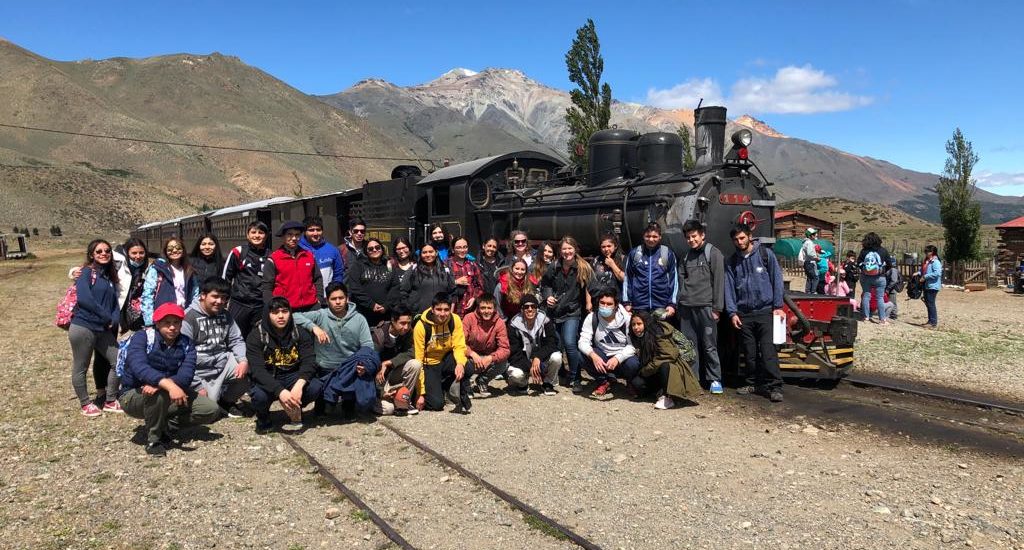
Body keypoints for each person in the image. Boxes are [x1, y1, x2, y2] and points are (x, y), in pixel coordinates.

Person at [118, 303, 219, 456]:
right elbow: (138, 366)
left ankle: (165, 426)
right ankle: (154, 440)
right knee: (157, 394)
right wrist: (167, 385)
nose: (172, 327)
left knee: (209, 409)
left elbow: (186, 375)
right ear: (157, 323)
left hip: (167, 390)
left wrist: (164, 385)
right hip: (133, 394)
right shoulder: (142, 337)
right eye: (167, 323)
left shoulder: (186, 343)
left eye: (177, 322)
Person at [724, 224, 786, 403]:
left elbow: (777, 280)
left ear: (750, 236)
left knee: (768, 352)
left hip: (765, 311)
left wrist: (778, 305)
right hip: (744, 313)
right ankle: (752, 383)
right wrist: (732, 312)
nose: (739, 242)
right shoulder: (732, 261)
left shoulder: (765, 255)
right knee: (749, 353)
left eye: (742, 238)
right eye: (736, 239)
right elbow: (729, 288)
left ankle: (775, 386)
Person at [294, 283, 374, 418]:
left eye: (341, 298)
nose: (338, 302)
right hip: (324, 367)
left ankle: (348, 403)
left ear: (347, 298)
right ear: (327, 300)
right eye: (333, 299)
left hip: (349, 367)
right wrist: (313, 327)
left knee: (361, 401)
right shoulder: (321, 315)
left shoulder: (359, 319)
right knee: (322, 409)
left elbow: (368, 345)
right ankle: (322, 403)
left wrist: (364, 363)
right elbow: (294, 316)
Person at [246, 297, 324, 433]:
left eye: (285, 311)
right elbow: (257, 370)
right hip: (270, 376)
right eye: (275, 312)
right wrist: (280, 391)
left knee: (315, 386)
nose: (281, 316)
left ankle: (295, 408)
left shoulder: (299, 332)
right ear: (268, 314)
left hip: (293, 375)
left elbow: (309, 360)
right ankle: (263, 416)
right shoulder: (256, 335)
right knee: (259, 396)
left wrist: (299, 385)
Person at [180, 277, 251, 416]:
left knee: (249, 367)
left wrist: (243, 360)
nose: (219, 301)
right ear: (203, 295)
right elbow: (182, 355)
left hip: (221, 363)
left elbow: (236, 340)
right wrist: (197, 385)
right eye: (215, 296)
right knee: (210, 411)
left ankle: (227, 401)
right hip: (198, 371)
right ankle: (207, 399)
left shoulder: (225, 315)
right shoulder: (188, 317)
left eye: (224, 298)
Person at [68, 239, 123, 417]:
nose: (104, 253)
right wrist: (106, 316)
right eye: (99, 251)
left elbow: (114, 303)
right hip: (83, 326)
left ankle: (110, 400)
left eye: (107, 250)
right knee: (81, 366)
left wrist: (114, 319)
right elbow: (84, 299)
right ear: (92, 254)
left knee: (120, 359)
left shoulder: (108, 276)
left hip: (102, 329)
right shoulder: (85, 272)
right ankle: (85, 403)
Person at [675, 220, 725, 394]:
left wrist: (717, 308)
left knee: (709, 345)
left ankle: (714, 379)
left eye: (694, 236)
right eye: (688, 237)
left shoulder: (714, 253)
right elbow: (681, 282)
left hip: (706, 307)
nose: (691, 240)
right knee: (689, 346)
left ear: (702, 235)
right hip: (687, 308)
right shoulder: (686, 256)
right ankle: (693, 379)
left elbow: (719, 281)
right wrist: (679, 304)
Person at [540, 236, 593, 394]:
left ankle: (576, 378)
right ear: (560, 251)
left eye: (570, 248)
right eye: (564, 249)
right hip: (555, 311)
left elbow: (590, 286)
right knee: (556, 345)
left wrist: (591, 303)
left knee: (570, 343)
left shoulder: (583, 267)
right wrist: (547, 295)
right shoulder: (554, 266)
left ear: (575, 249)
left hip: (572, 311)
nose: (567, 252)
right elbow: (546, 283)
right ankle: (556, 375)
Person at [628, 311, 700, 410]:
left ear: (646, 323)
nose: (636, 327)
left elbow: (668, 355)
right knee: (637, 383)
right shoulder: (638, 336)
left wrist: (646, 370)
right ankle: (659, 392)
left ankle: (668, 397)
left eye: (639, 324)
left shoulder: (658, 332)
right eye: (633, 324)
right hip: (653, 369)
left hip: (673, 368)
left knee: (664, 366)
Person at [413, 293, 471, 413]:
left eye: (446, 310)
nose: (443, 314)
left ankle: (448, 387)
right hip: (429, 364)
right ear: (432, 309)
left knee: (468, 366)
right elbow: (418, 360)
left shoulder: (454, 320)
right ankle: (435, 389)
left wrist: (460, 363)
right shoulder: (421, 326)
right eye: (439, 309)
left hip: (445, 359)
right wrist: (421, 393)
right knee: (436, 404)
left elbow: (459, 345)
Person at [578, 290, 639, 398]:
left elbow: (633, 346)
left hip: (622, 359)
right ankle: (603, 381)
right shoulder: (592, 317)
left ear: (616, 305)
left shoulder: (627, 320)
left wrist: (618, 358)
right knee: (582, 355)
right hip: (603, 357)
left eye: (609, 304)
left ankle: (630, 383)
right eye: (602, 303)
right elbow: (583, 341)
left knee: (633, 363)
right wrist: (593, 356)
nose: (605, 306)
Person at [222, 220, 270, 337]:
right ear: (247, 235)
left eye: (261, 233)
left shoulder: (271, 255)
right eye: (253, 232)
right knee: (235, 335)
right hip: (240, 303)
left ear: (266, 236)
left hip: (260, 304)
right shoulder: (238, 252)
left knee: (258, 336)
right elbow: (226, 278)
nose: (257, 235)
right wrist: (223, 300)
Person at [370, 305, 421, 416]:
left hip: (393, 374)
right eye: (402, 323)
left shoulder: (408, 332)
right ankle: (380, 401)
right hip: (378, 381)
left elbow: (411, 352)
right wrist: (382, 393)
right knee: (388, 410)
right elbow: (371, 367)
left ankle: (403, 401)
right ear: (393, 321)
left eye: (408, 323)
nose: (406, 327)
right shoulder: (379, 335)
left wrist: (389, 362)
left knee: (415, 364)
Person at [505, 294, 561, 395]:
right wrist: (531, 367)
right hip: (523, 361)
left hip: (541, 359)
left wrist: (538, 358)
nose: (530, 309)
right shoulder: (513, 325)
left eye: (533, 306)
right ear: (521, 310)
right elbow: (514, 353)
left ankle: (548, 383)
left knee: (557, 357)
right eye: (526, 307)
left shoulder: (546, 321)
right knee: (515, 374)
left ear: (537, 308)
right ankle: (523, 384)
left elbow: (552, 343)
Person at [263, 220, 324, 313]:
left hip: (311, 307)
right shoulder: (273, 259)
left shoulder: (309, 255)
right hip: (285, 309)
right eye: (290, 234)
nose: (294, 238)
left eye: (297, 235)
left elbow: (318, 278)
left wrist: (319, 299)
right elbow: (267, 287)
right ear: (283, 236)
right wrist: (272, 307)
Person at [623, 222, 679, 317]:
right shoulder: (635, 253)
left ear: (660, 237)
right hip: (639, 306)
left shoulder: (667, 253)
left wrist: (672, 304)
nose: (651, 239)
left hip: (662, 306)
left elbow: (674, 280)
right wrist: (627, 302)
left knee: (660, 332)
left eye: (655, 236)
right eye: (648, 236)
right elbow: (628, 278)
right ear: (643, 236)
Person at [141, 237, 200, 327]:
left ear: (183, 250)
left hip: (184, 316)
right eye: (170, 249)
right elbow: (147, 294)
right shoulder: (157, 268)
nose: (175, 250)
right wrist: (149, 321)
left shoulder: (189, 270)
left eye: (178, 248)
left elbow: (195, 294)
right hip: (163, 317)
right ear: (165, 251)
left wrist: (192, 314)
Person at [461, 293, 510, 397]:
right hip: (470, 357)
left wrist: (491, 358)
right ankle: (466, 384)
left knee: (503, 363)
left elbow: (505, 349)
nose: (486, 311)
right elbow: (460, 343)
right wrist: (471, 354)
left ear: (494, 309)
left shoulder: (499, 323)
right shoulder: (468, 318)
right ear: (478, 308)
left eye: (489, 308)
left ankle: (482, 380)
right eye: (483, 308)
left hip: (487, 358)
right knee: (460, 359)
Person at [347, 238, 395, 326]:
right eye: (370, 249)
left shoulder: (388, 265)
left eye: (377, 247)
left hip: (386, 314)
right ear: (366, 251)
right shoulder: (358, 266)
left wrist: (386, 305)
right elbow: (355, 288)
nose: (374, 250)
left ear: (382, 249)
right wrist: (371, 304)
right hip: (364, 314)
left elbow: (395, 287)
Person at [400, 242, 455, 313]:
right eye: (424, 252)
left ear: (436, 252)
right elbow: (403, 291)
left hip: (441, 315)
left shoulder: (446, 270)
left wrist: (448, 309)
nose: (428, 255)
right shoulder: (414, 269)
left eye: (431, 252)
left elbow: (452, 292)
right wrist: (410, 308)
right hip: (418, 315)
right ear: (420, 254)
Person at [299, 216, 345, 292]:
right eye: (311, 230)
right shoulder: (298, 250)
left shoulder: (332, 250)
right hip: (306, 299)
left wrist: (335, 292)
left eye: (318, 230)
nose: (315, 233)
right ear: (304, 232)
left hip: (327, 298)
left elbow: (338, 274)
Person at [857, 232, 893, 324]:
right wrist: (883, 271)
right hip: (880, 277)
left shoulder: (864, 251)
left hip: (865, 277)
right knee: (880, 298)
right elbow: (889, 264)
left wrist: (864, 270)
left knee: (866, 295)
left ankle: (866, 317)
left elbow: (859, 263)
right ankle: (882, 319)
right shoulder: (883, 251)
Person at [448, 237, 484, 316]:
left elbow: (479, 285)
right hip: (452, 310)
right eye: (459, 248)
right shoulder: (446, 264)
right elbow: (440, 284)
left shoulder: (472, 264)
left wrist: (474, 298)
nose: (462, 250)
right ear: (453, 249)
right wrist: (455, 282)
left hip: (470, 310)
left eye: (465, 247)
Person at [589, 233, 625, 304]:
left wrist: (612, 265)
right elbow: (589, 282)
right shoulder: (595, 261)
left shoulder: (623, 259)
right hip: (599, 301)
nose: (606, 249)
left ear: (615, 246)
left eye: (609, 246)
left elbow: (624, 279)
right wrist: (588, 302)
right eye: (603, 247)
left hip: (617, 301)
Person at [917, 244, 942, 328]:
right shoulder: (927, 261)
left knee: (931, 303)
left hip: (932, 285)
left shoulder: (936, 262)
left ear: (932, 252)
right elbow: (923, 270)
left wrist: (925, 276)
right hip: (927, 285)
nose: (926, 253)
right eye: (925, 251)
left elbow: (937, 273)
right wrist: (919, 273)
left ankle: (933, 322)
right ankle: (930, 321)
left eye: (927, 251)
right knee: (928, 303)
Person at [798, 227, 820, 294]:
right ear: (810, 235)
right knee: (815, 277)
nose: (816, 235)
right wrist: (816, 258)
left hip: (806, 262)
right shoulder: (809, 243)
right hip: (810, 262)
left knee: (809, 277)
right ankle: (813, 291)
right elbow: (810, 253)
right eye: (814, 234)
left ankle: (808, 291)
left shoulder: (805, 242)